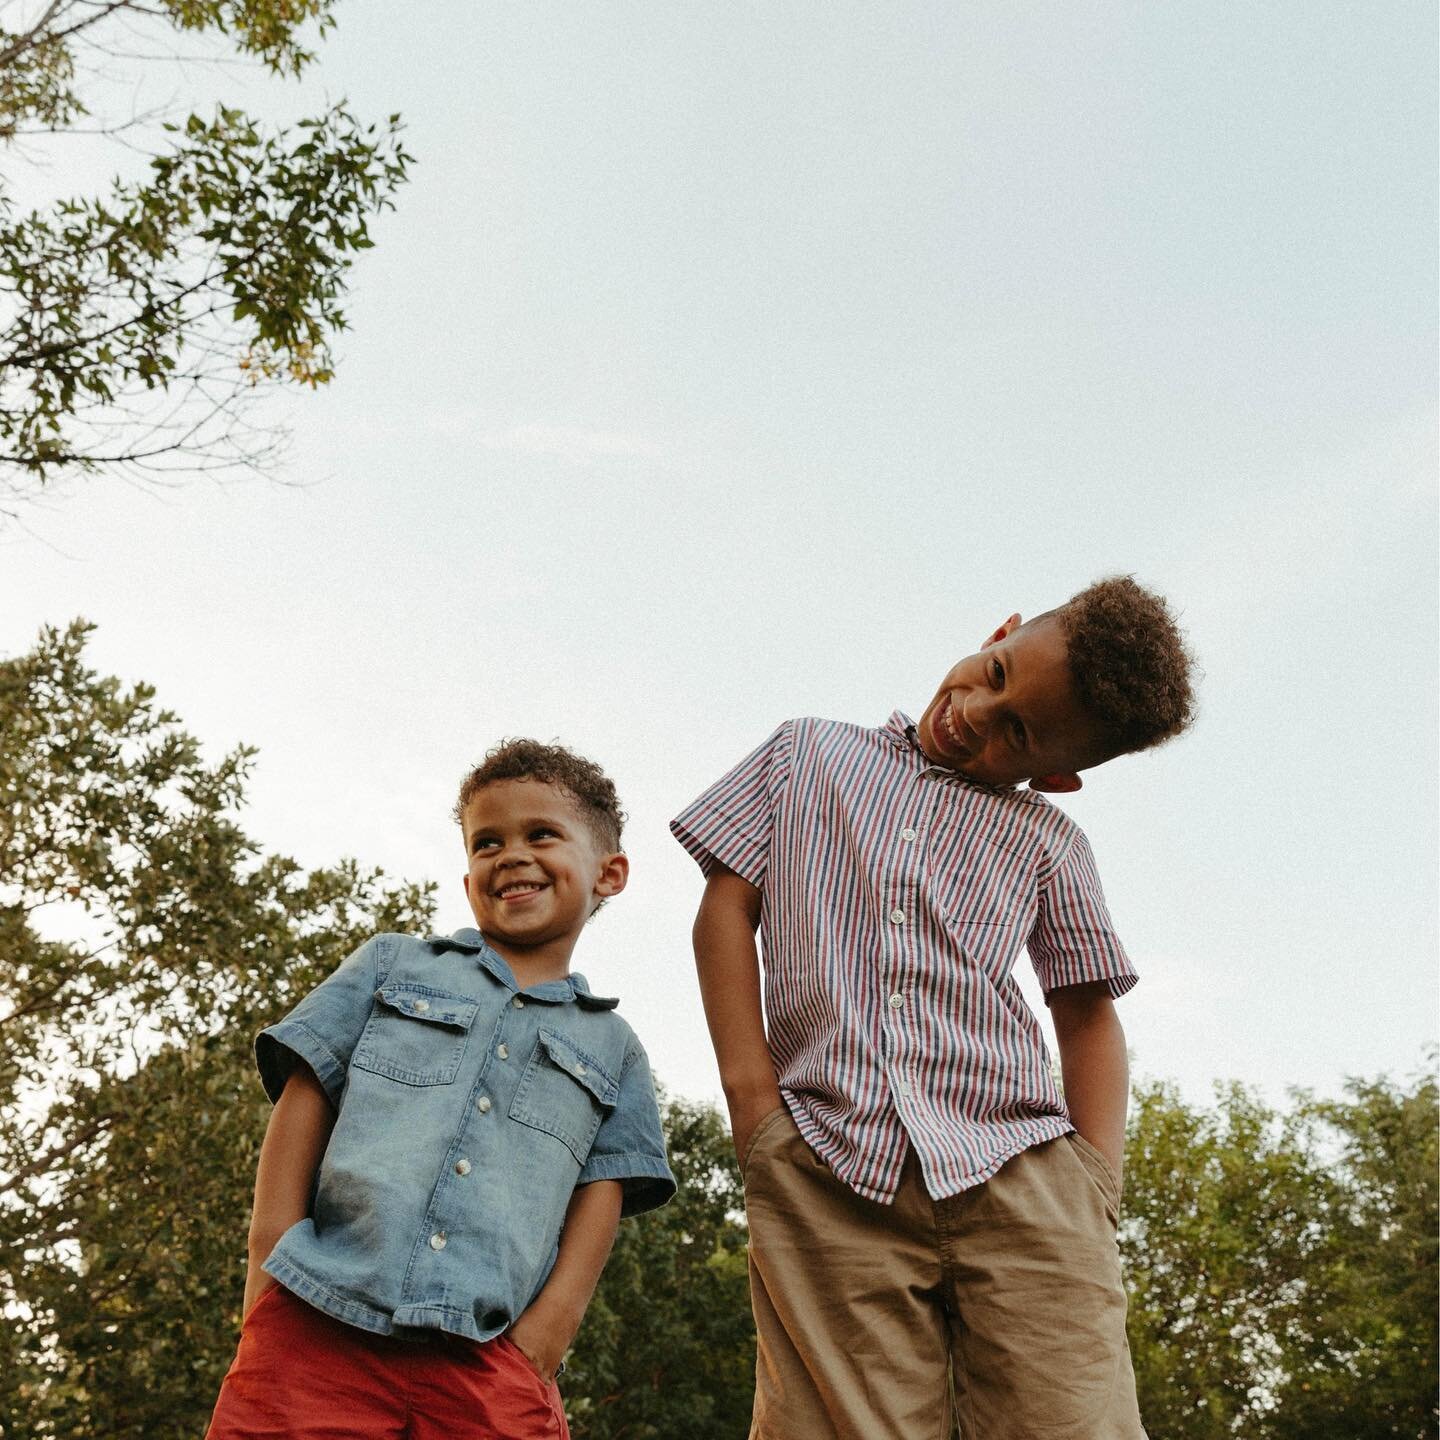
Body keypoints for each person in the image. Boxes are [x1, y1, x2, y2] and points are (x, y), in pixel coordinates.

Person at [671, 575, 1197, 1440]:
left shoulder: (1050, 843)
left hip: (1024, 1178)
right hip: (833, 1170)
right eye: (995, 675)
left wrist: (1098, 1182)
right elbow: (727, 908)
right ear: (1001, 631)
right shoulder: (806, 755)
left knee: (1074, 1422)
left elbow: (1088, 1011)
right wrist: (754, 1109)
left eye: (1017, 731)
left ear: (1057, 775)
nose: (975, 717)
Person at [207, 739, 675, 1440]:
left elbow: (600, 1198)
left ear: (609, 873)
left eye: (540, 834)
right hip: (315, 1325)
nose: (510, 855)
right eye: (487, 843)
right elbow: (306, 1095)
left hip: (487, 1364)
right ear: (467, 880)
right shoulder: (390, 966)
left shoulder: (617, 1050)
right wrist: (267, 1265)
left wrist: (540, 1345)